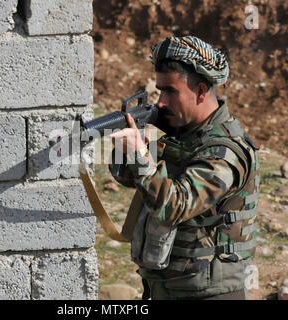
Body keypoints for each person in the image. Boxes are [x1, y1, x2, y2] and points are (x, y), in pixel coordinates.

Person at [108, 36, 259, 300]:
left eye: (171, 91)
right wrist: (129, 152)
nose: (162, 102)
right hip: (165, 287)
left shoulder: (224, 151)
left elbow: (173, 206)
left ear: (201, 91)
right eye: (159, 91)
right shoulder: (182, 137)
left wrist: (141, 156)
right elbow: (131, 180)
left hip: (209, 293)